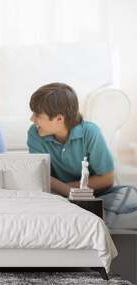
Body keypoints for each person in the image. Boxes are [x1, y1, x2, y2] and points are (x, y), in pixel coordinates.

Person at [27, 82, 137, 218]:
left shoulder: (90, 132)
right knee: (39, 201)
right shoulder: (35, 134)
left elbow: (107, 179)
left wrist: (73, 192)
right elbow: (42, 178)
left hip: (97, 193)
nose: (32, 119)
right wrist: (68, 192)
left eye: (37, 115)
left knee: (130, 195)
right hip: (60, 195)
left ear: (59, 118)